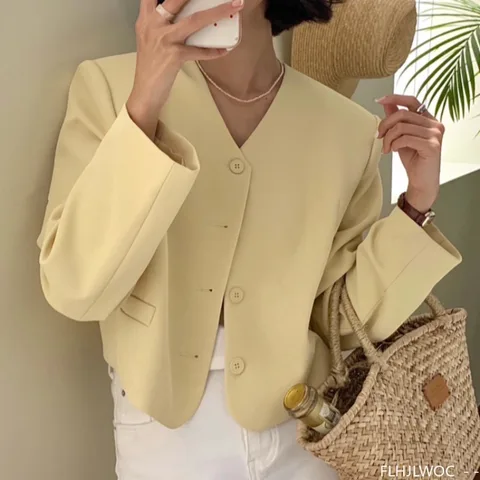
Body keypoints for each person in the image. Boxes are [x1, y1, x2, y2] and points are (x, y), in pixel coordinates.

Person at [37, 0, 461, 478]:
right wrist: (144, 108)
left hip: (302, 425)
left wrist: (416, 204)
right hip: (166, 431)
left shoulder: (348, 131)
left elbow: (340, 321)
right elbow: (74, 287)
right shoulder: (110, 88)